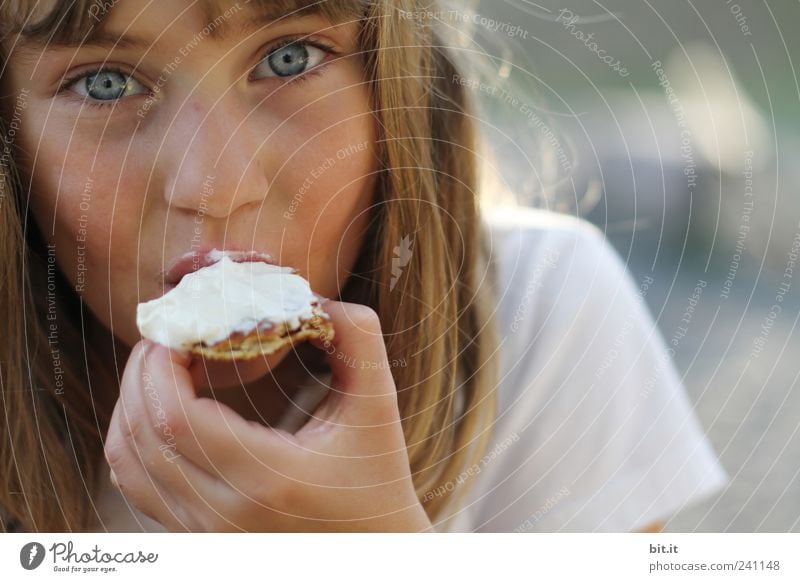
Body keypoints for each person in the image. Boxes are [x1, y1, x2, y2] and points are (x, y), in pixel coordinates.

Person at [0, 0, 726, 532]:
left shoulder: (538, 309)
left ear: (395, 83)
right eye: (104, 84)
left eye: (290, 57)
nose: (216, 187)